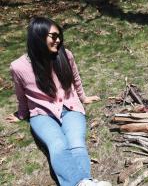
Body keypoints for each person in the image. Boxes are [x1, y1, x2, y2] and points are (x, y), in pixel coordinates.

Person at [6, 17, 112, 186]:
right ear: (38, 36)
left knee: (76, 142)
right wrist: (21, 114)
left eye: (59, 36)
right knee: (58, 144)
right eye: (54, 36)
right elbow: (21, 94)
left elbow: (75, 79)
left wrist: (83, 98)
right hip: (42, 115)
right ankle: (82, 183)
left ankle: (83, 182)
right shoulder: (18, 67)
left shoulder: (65, 54)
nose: (59, 40)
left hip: (70, 107)